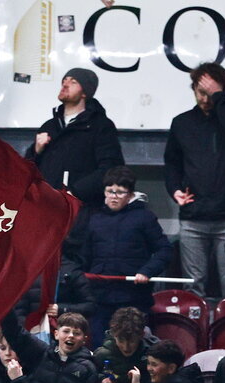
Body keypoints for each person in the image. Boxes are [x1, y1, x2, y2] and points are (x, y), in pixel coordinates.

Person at [164, 62, 225, 298]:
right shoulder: (181, 123)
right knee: (193, 286)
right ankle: (195, 333)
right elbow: (172, 163)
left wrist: (219, 97)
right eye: (200, 92)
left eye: (210, 93)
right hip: (194, 215)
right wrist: (175, 190)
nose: (204, 98)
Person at [81, 166, 171, 343]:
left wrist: (147, 271)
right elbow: (85, 256)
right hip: (101, 298)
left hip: (134, 298)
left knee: (133, 346)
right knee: (100, 347)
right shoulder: (94, 219)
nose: (114, 196)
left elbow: (165, 250)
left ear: (130, 194)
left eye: (120, 192)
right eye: (110, 191)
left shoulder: (145, 217)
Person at [24, 67, 123, 208]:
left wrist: (74, 192)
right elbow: (27, 168)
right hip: (46, 206)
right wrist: (36, 151)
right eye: (64, 80)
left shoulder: (100, 126)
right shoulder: (50, 126)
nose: (65, 84)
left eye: (73, 82)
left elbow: (110, 168)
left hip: (82, 208)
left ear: (85, 92)